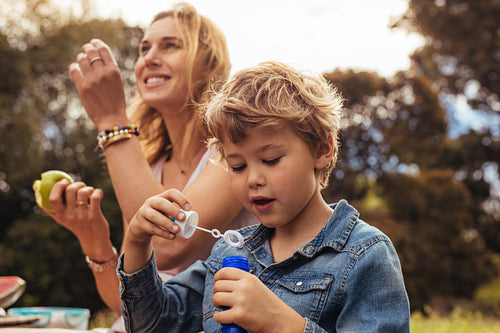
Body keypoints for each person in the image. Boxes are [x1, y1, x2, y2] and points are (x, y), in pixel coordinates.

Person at [118, 61, 411, 332]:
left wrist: (282, 322)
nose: (253, 179)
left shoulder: (365, 256)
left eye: (270, 160)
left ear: (322, 150)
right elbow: (152, 324)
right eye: (237, 166)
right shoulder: (228, 253)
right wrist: (137, 243)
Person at [44, 2, 258, 330]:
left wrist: (112, 121)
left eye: (170, 45)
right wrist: (96, 240)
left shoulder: (233, 153)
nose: (149, 58)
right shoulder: (149, 165)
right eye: (145, 48)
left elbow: (167, 243)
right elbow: (135, 305)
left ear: (208, 64)